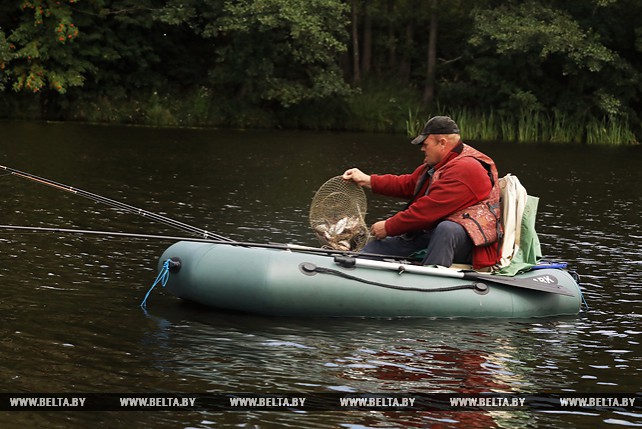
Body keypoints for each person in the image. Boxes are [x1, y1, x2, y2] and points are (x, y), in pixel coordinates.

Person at [342, 115, 501, 269]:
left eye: (425, 144)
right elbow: (408, 184)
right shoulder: (442, 163)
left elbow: (427, 210)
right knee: (375, 248)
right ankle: (357, 265)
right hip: (431, 232)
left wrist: (389, 226)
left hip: (470, 247)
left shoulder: (466, 169)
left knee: (447, 229)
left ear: (442, 143)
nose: (422, 148)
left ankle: (430, 281)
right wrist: (367, 180)